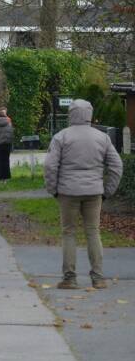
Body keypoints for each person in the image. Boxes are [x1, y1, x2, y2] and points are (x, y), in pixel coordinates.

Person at [44, 99, 123, 290]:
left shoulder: (61, 137)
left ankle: (70, 279)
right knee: (93, 232)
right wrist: (107, 191)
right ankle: (98, 278)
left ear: (71, 114)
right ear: (90, 114)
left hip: (67, 192)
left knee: (69, 232)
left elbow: (50, 165)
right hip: (94, 192)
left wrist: (53, 189)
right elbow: (116, 165)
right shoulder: (102, 138)